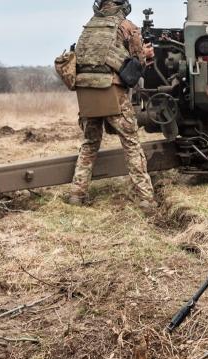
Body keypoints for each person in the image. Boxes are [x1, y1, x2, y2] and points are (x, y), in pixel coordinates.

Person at [68, 0, 156, 211]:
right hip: (112, 91)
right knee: (131, 144)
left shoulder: (89, 26)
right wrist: (147, 55)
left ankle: (76, 196)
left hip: (86, 92)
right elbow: (137, 64)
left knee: (89, 143)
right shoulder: (127, 27)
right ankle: (146, 200)